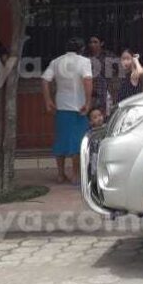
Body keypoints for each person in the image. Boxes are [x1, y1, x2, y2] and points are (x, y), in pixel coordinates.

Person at [41, 37, 93, 184]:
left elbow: (45, 80)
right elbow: (88, 81)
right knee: (77, 142)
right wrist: (88, 102)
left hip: (61, 105)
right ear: (81, 49)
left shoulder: (56, 61)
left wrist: (48, 100)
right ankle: (75, 174)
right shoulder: (84, 61)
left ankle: (60, 174)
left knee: (61, 140)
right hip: (78, 106)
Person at [86, 36, 115, 114]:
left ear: (101, 43)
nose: (92, 44)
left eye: (95, 42)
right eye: (91, 42)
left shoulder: (108, 55)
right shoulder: (85, 57)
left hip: (106, 91)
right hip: (91, 93)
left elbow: (120, 69)